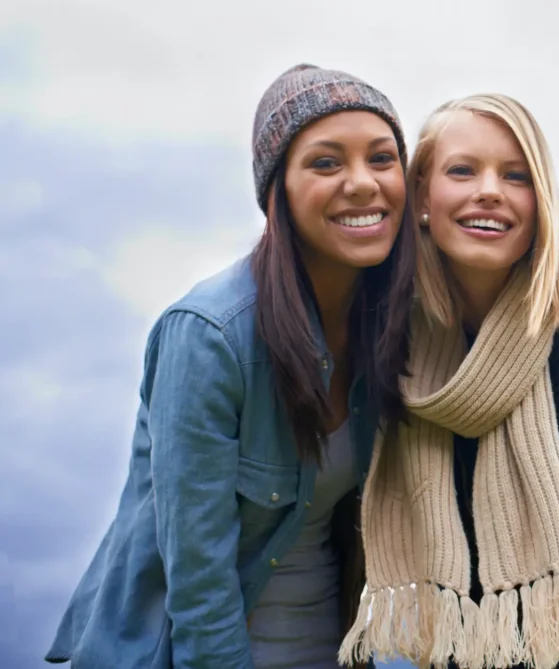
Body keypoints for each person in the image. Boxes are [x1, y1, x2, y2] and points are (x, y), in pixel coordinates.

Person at [44, 64, 416, 669]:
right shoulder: (208, 335)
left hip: (331, 646)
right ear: (278, 191)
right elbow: (199, 588)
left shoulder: (394, 323)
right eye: (325, 163)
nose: (362, 183)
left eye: (382, 159)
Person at [338, 94, 559, 669]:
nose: (490, 190)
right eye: (462, 170)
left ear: (540, 202)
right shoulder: (390, 329)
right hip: (451, 626)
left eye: (515, 175)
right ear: (422, 197)